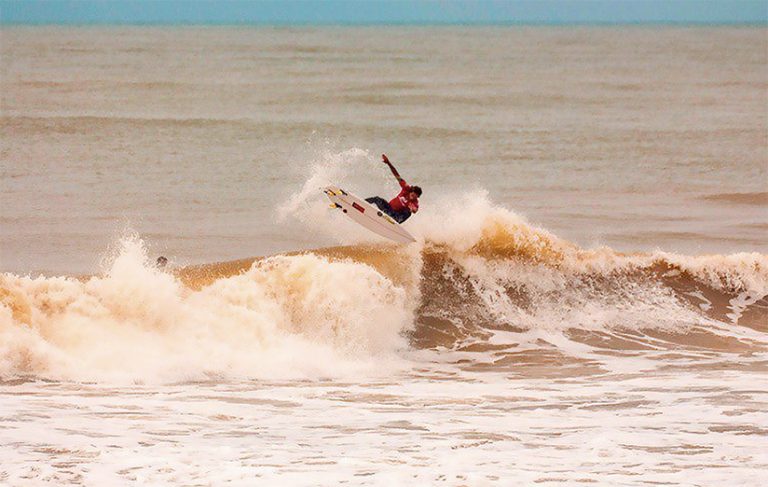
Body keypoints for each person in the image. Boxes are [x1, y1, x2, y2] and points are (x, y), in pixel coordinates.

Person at [366, 154, 422, 224]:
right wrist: (388, 163)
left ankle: (395, 222)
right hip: (388, 209)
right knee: (377, 199)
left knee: (408, 213)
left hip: (395, 216)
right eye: (412, 194)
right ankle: (362, 203)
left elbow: (415, 209)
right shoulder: (406, 188)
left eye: (415, 196)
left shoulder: (414, 202)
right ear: (411, 191)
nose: (413, 197)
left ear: (417, 197)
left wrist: (413, 210)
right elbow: (396, 175)